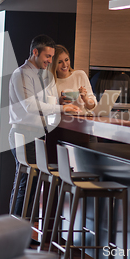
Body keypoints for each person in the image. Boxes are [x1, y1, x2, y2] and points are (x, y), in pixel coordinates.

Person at [8, 35, 79, 221]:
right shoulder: (23, 74)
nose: (50, 61)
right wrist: (61, 108)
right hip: (24, 133)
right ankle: (15, 233)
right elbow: (30, 106)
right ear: (35, 52)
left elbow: (44, 103)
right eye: (47, 56)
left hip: (34, 134)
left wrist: (59, 102)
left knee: (28, 183)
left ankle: (18, 232)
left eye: (51, 56)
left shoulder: (40, 75)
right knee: (27, 183)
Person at [50, 44, 97, 112]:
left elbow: (93, 106)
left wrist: (85, 98)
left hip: (82, 119)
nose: (65, 65)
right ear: (53, 64)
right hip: (63, 120)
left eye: (66, 60)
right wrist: (59, 102)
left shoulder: (80, 75)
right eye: (59, 62)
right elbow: (48, 109)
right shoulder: (50, 82)